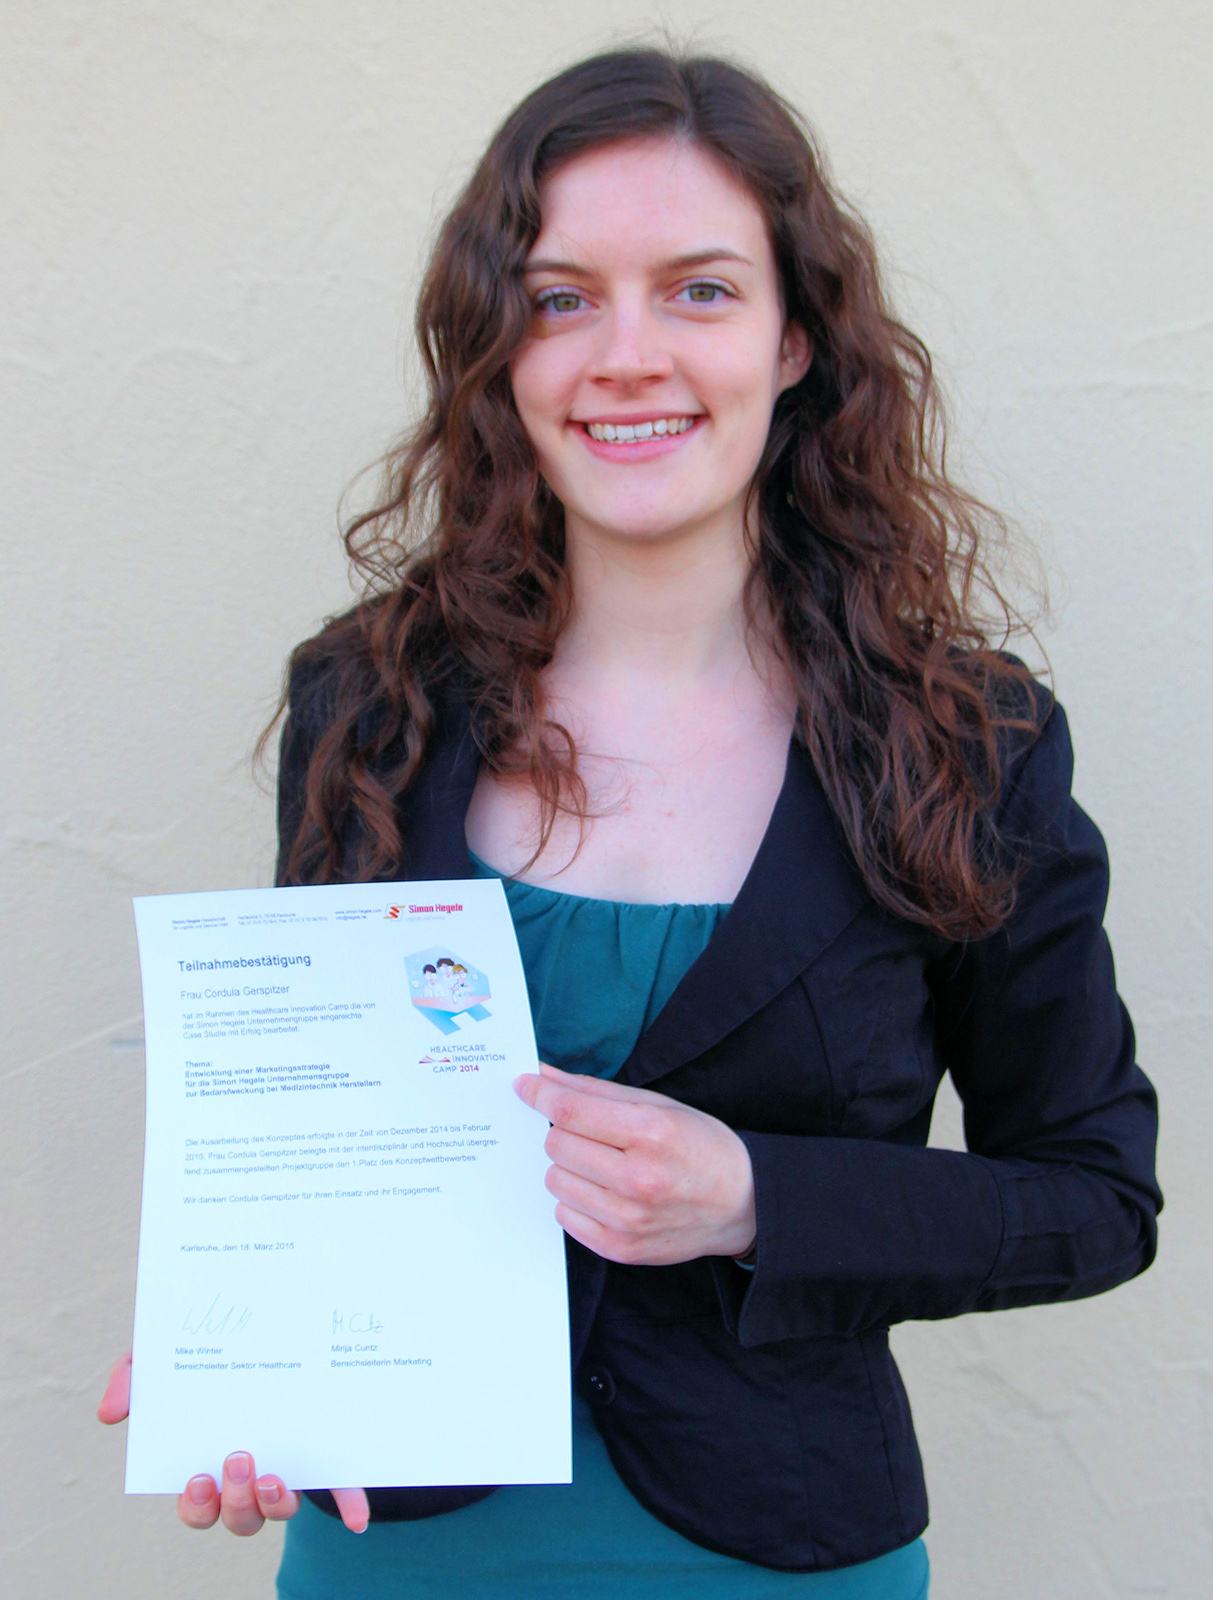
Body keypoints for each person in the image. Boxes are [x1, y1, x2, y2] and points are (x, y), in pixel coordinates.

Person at [98, 46, 1160, 1598]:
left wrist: (754, 1198)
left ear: (797, 339)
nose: (626, 355)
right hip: (399, 1554)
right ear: (500, 353)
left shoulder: (967, 744)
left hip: (785, 1555)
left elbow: (1090, 1197)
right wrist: (253, 1366)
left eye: (700, 290)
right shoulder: (367, 703)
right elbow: (319, 1143)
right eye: (560, 297)